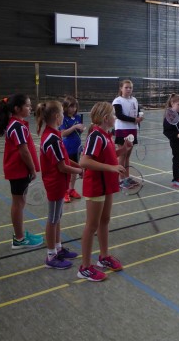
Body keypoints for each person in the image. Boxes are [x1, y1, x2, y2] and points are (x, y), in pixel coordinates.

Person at [77, 101, 129, 282]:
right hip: (96, 185)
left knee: (104, 221)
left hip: (107, 184)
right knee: (91, 225)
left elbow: (108, 156)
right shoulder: (96, 136)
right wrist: (112, 168)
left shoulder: (106, 135)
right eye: (113, 115)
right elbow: (84, 161)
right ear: (106, 118)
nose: (115, 117)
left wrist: (123, 150)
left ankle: (104, 256)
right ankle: (84, 267)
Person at [0, 94, 44, 249]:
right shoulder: (17, 126)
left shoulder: (17, 124)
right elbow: (23, 151)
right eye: (27, 105)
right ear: (17, 108)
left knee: (20, 203)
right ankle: (19, 239)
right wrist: (32, 169)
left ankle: (20, 234)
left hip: (19, 170)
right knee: (18, 203)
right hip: (18, 170)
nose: (30, 108)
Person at [36, 101, 83, 269]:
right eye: (62, 113)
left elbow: (65, 159)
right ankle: (51, 256)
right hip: (54, 183)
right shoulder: (52, 139)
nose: (64, 115)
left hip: (60, 182)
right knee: (53, 219)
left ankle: (58, 248)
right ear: (57, 117)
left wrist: (79, 166)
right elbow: (62, 167)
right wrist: (80, 171)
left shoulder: (55, 135)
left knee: (58, 217)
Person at [112, 79, 141, 189]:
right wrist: (134, 120)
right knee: (122, 155)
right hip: (122, 130)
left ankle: (127, 177)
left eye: (130, 87)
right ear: (121, 88)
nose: (129, 89)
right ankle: (121, 180)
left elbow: (137, 113)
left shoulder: (134, 100)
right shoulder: (117, 101)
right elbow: (119, 115)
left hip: (133, 129)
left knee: (128, 155)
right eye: (126, 87)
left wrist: (139, 119)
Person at [59, 95, 84, 203]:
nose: (73, 109)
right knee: (67, 171)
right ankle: (64, 191)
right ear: (65, 107)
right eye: (71, 106)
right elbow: (63, 133)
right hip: (67, 148)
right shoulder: (63, 118)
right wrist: (74, 127)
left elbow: (79, 131)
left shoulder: (78, 117)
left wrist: (81, 129)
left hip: (76, 148)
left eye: (75, 106)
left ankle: (71, 189)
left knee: (74, 171)